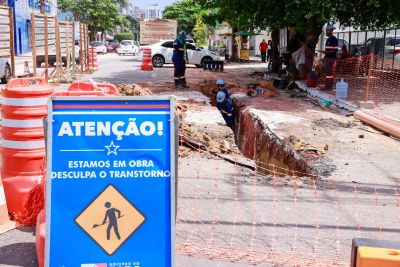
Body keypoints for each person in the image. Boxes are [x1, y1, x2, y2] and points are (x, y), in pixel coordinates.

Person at [320, 24, 338, 90]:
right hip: (327, 58)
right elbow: (327, 50)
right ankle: (328, 86)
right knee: (327, 73)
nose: (326, 32)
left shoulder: (334, 39)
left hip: (331, 59)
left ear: (331, 31)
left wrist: (326, 52)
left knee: (329, 73)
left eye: (327, 30)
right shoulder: (328, 40)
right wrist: (324, 57)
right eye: (326, 30)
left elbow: (335, 50)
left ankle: (328, 87)